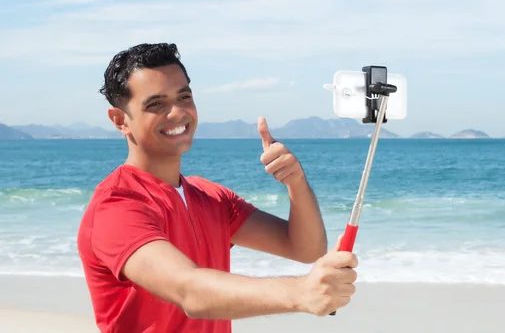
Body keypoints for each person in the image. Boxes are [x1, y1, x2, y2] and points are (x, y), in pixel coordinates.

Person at [76, 43, 358, 333]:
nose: (177, 113)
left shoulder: (210, 197)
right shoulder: (117, 206)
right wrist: (301, 292)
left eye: (184, 97)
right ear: (121, 121)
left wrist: (296, 182)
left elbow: (305, 248)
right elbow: (190, 291)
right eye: (156, 104)